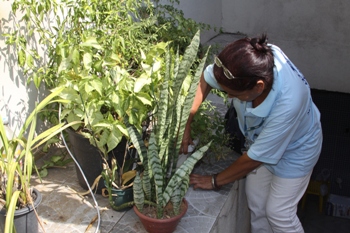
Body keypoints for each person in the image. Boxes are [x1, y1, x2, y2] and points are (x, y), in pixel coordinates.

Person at [181, 34, 323, 233]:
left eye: (235, 94)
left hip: (297, 149)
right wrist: (187, 124)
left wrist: (214, 181)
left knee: (279, 213)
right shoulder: (251, 61)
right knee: (256, 200)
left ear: (258, 87)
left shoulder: (289, 103)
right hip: (261, 139)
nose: (229, 97)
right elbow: (206, 79)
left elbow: (253, 159)